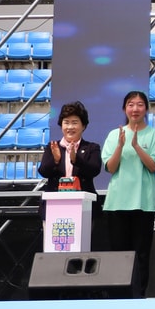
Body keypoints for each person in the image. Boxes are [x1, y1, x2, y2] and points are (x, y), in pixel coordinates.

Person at [102, 90, 155, 298]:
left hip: (143, 203)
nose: (135, 108)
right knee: (118, 255)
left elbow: (154, 167)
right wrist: (121, 145)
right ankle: (118, 296)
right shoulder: (114, 135)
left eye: (140, 104)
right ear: (124, 109)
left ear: (146, 108)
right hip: (117, 203)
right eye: (131, 104)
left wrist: (137, 146)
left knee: (141, 254)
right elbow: (111, 168)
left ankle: (138, 296)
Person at [37, 100, 104, 246]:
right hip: (54, 208)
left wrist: (76, 159)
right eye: (66, 122)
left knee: (80, 247)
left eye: (75, 122)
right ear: (61, 125)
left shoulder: (92, 147)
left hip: (84, 209)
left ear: (83, 126)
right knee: (54, 247)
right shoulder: (53, 147)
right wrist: (55, 160)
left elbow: (94, 169)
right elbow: (43, 171)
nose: (70, 127)